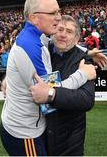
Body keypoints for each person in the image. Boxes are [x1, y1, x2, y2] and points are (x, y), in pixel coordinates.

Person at [0, 0, 97, 156]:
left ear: (76, 39)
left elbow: (86, 100)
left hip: (64, 141)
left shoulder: (41, 39)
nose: (58, 17)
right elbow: (46, 93)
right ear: (35, 18)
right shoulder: (36, 47)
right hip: (27, 132)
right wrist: (82, 75)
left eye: (58, 12)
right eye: (53, 13)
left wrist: (87, 52)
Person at [30, 15, 97, 156]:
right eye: (60, 29)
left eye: (69, 31)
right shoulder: (42, 52)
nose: (63, 35)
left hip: (69, 142)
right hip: (40, 135)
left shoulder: (84, 60)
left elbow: (86, 99)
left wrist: (51, 94)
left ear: (77, 39)